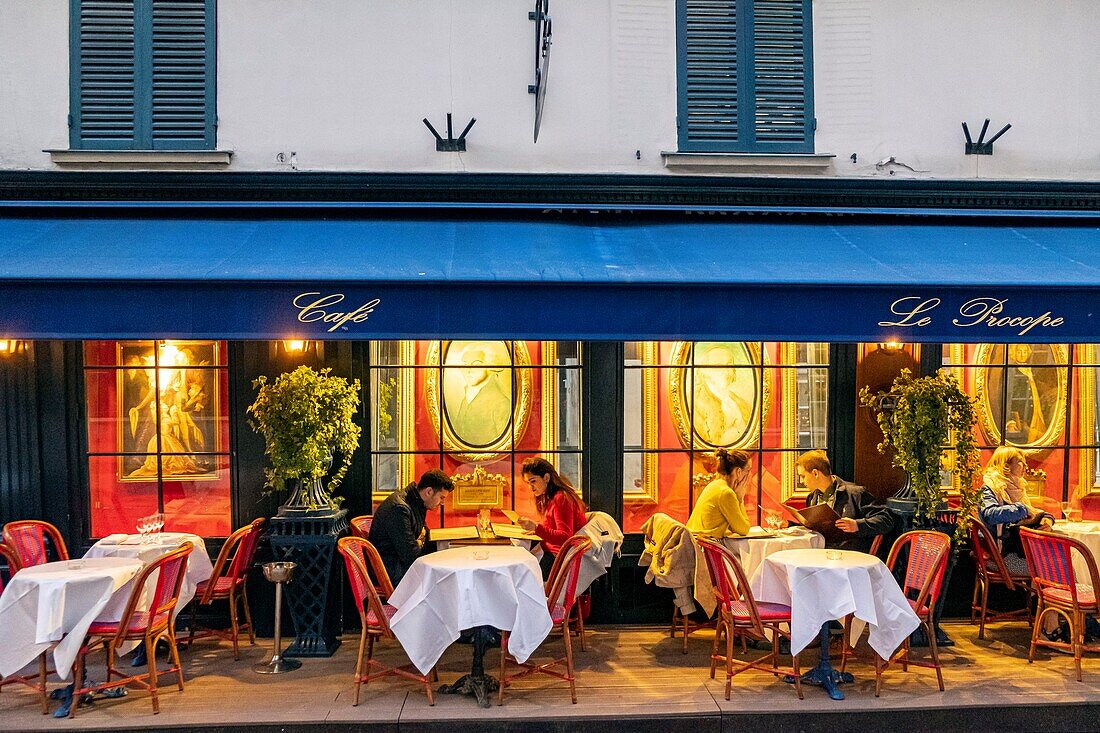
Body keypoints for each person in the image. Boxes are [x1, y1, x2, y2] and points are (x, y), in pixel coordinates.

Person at [797, 449, 894, 552]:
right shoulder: (812, 497)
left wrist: (857, 525)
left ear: (815, 473)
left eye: (803, 476)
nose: (801, 481)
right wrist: (789, 523)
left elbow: (886, 520)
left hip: (849, 556)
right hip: (820, 552)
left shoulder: (855, 493)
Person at [369, 469, 454, 586]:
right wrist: (420, 542)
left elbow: (424, 536)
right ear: (428, 492)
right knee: (447, 578)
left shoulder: (415, 501)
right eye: (441, 498)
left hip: (399, 566)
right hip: (392, 572)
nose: (442, 503)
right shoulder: (399, 509)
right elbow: (410, 556)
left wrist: (420, 542)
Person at [978, 446, 1053, 574]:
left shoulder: (1017, 488)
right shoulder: (989, 488)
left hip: (1017, 552)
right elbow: (990, 514)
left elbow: (1033, 512)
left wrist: (1047, 520)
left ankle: (1041, 594)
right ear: (1005, 465)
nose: (1025, 464)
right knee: (1058, 569)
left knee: (1062, 563)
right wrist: (1022, 509)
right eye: (1020, 461)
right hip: (1001, 557)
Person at [516, 457, 587, 580]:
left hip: (556, 559)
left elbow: (565, 537)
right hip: (550, 554)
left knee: (518, 577)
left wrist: (536, 528)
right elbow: (552, 527)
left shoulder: (561, 498)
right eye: (528, 483)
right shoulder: (550, 497)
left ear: (546, 478)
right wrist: (535, 529)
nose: (530, 488)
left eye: (533, 481)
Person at [686, 448, 752, 539]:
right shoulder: (726, 493)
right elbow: (743, 530)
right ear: (738, 472)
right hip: (705, 546)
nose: (750, 475)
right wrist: (740, 499)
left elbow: (732, 527)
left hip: (696, 541)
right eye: (748, 470)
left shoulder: (715, 484)